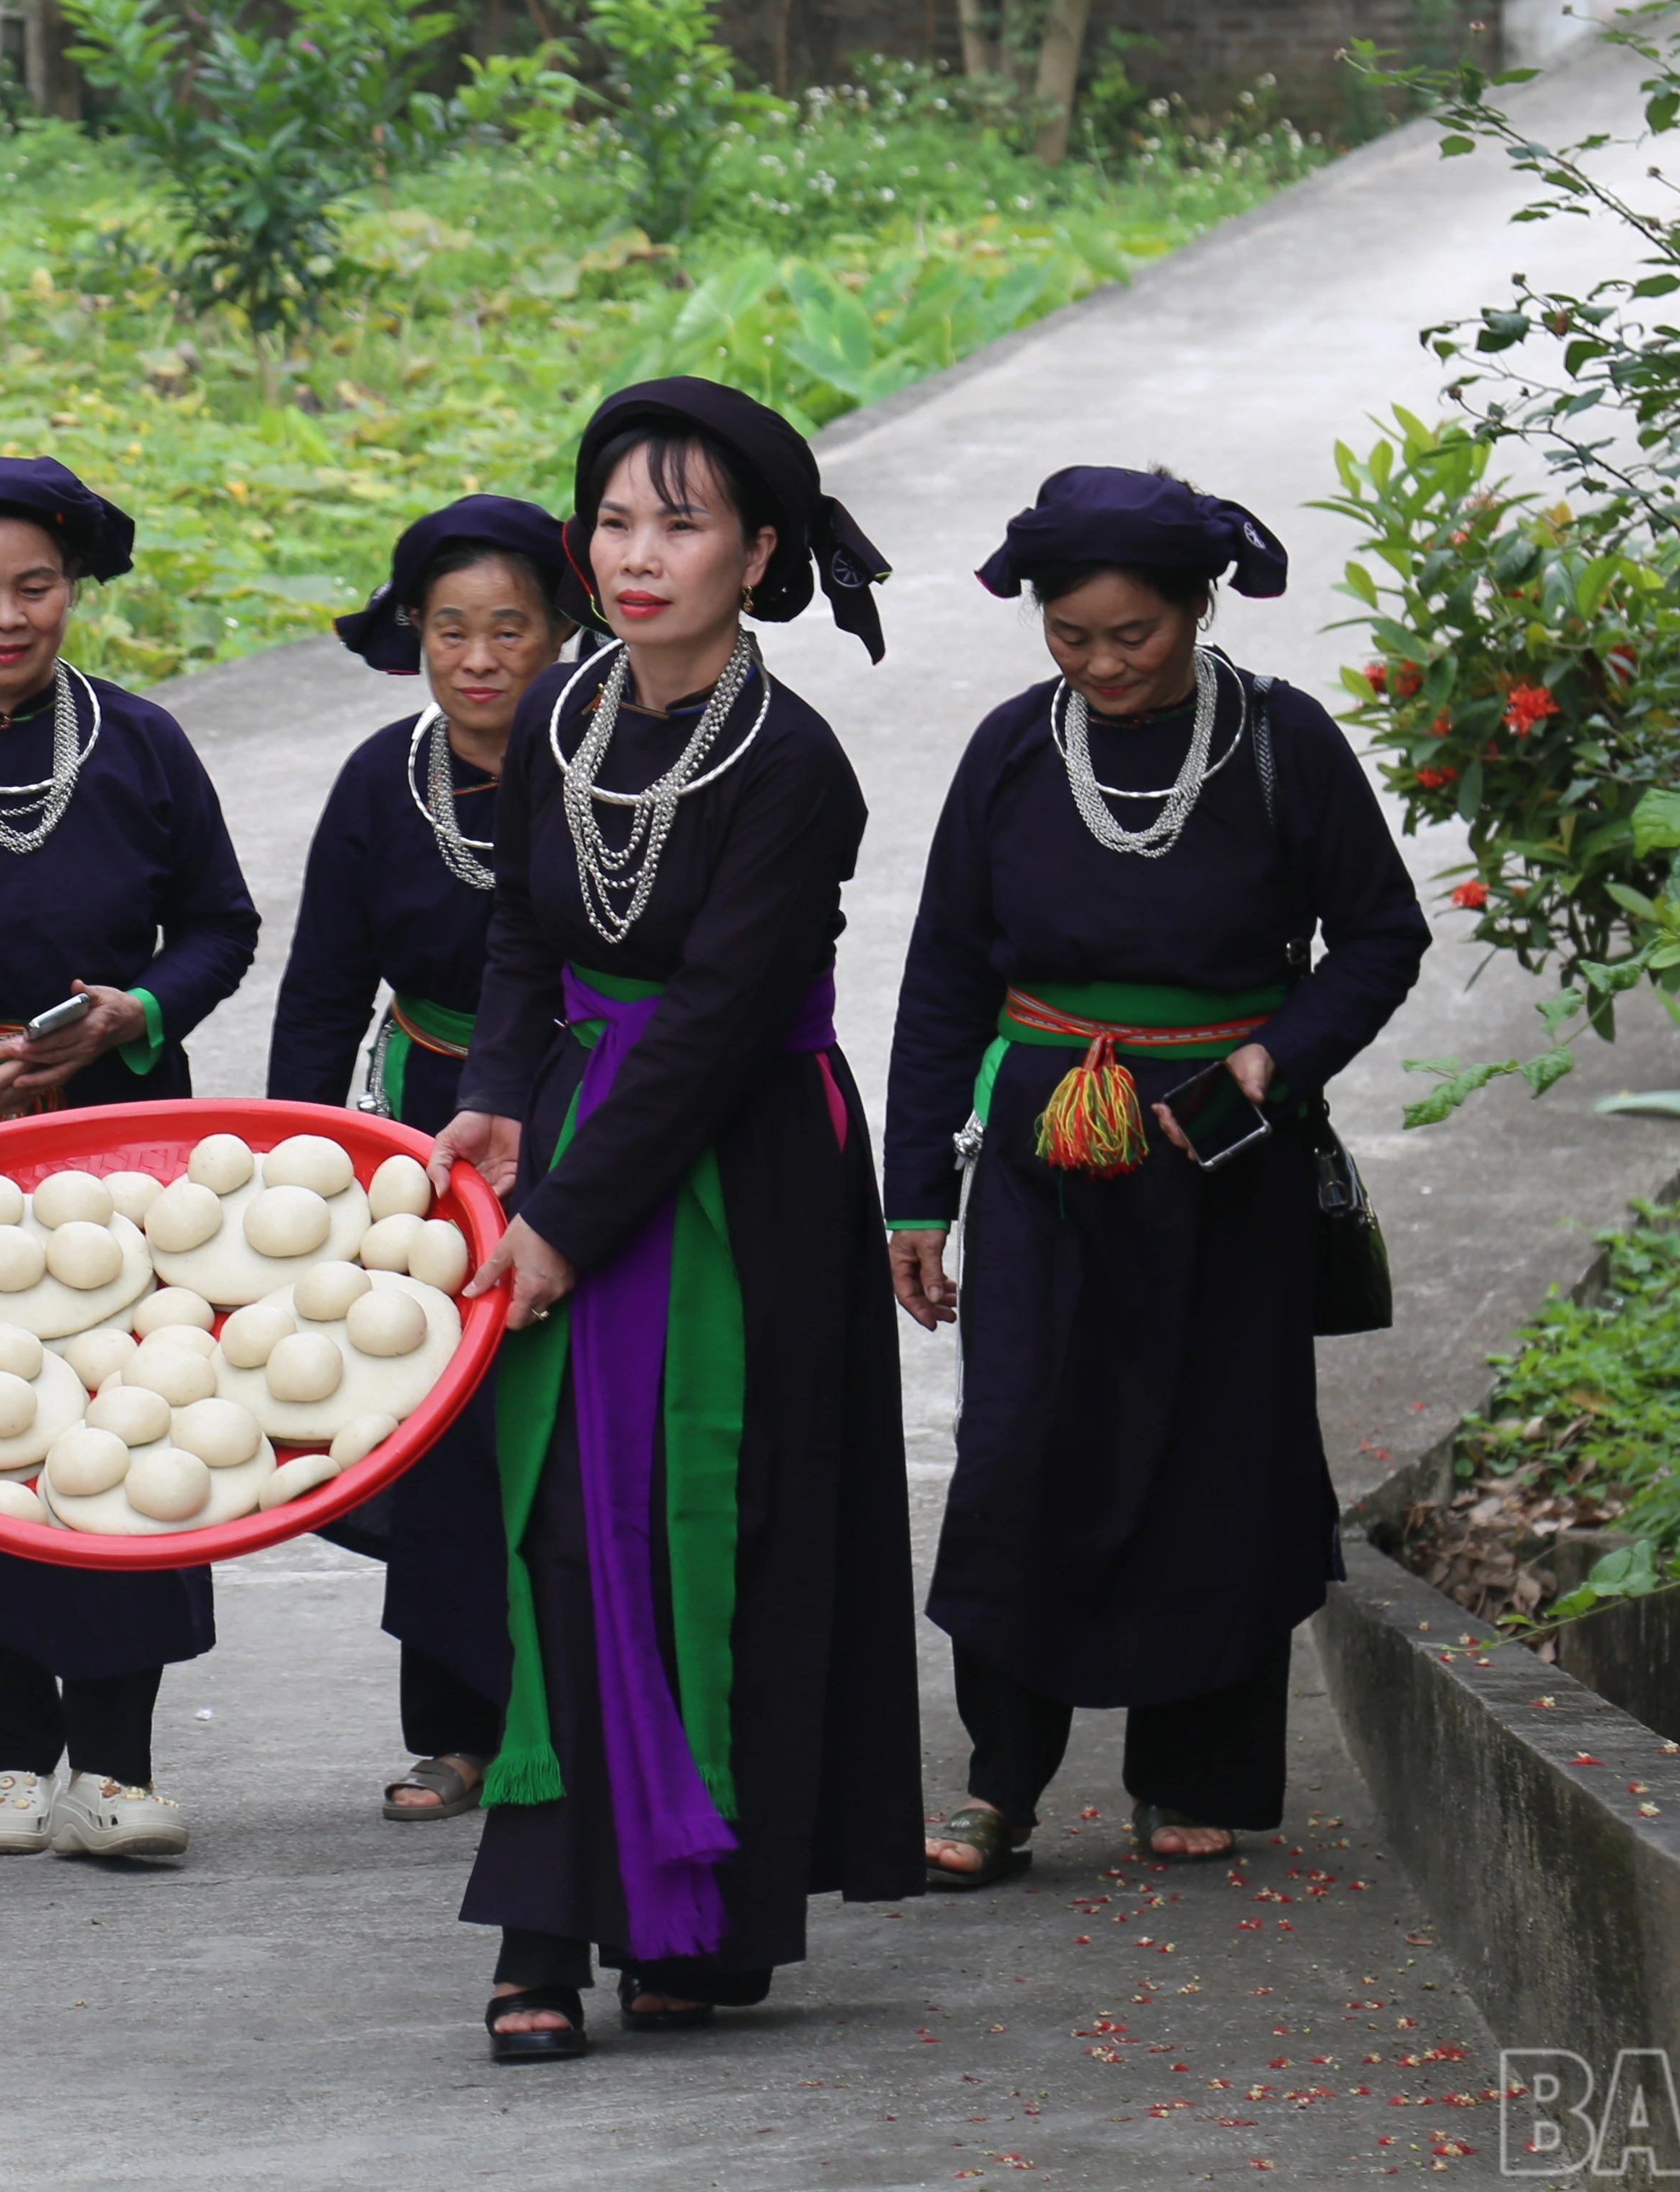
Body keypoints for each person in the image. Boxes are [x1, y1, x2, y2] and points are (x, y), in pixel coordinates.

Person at [429, 380, 920, 2063]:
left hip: (743, 1179)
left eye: (682, 524)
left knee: (720, 1528)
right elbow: (516, 932)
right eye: (615, 522)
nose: (636, 559)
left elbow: (717, 1019)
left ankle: (698, 1917)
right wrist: (498, 1098)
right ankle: (549, 1924)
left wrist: (561, 1221)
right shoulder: (566, 713)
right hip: (576, 1131)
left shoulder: (792, 762)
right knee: (564, 1527)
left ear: (759, 552)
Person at [879, 465, 1426, 1892]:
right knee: (1020, 1450)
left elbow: (1379, 935)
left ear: (1196, 607)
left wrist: (1270, 1065)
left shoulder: (1280, 745)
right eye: (1074, 636)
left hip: (1223, 1150)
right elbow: (943, 980)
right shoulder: (1011, 753)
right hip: (1050, 1157)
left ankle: (1195, 1773)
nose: (1107, 664)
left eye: (1137, 634)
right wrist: (916, 1199)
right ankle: (1000, 1784)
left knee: (1218, 1450)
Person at [0, 455, 262, 1865]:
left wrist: (142, 1011)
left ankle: (122, 1766)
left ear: (75, 590)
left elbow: (219, 924)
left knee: (133, 1421)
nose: (6, 617)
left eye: (34, 586)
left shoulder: (141, 745)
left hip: (122, 1137)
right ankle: (0, 1758)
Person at [265, 496, 593, 1827]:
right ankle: (456, 1727)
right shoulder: (376, 784)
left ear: (564, 633)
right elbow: (323, 986)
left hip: (590, 1108)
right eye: (448, 629)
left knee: (575, 1423)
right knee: (438, 1417)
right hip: (429, 1140)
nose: (476, 657)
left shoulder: (616, 767)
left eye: (509, 627)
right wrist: (293, 1174)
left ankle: (582, 1709)